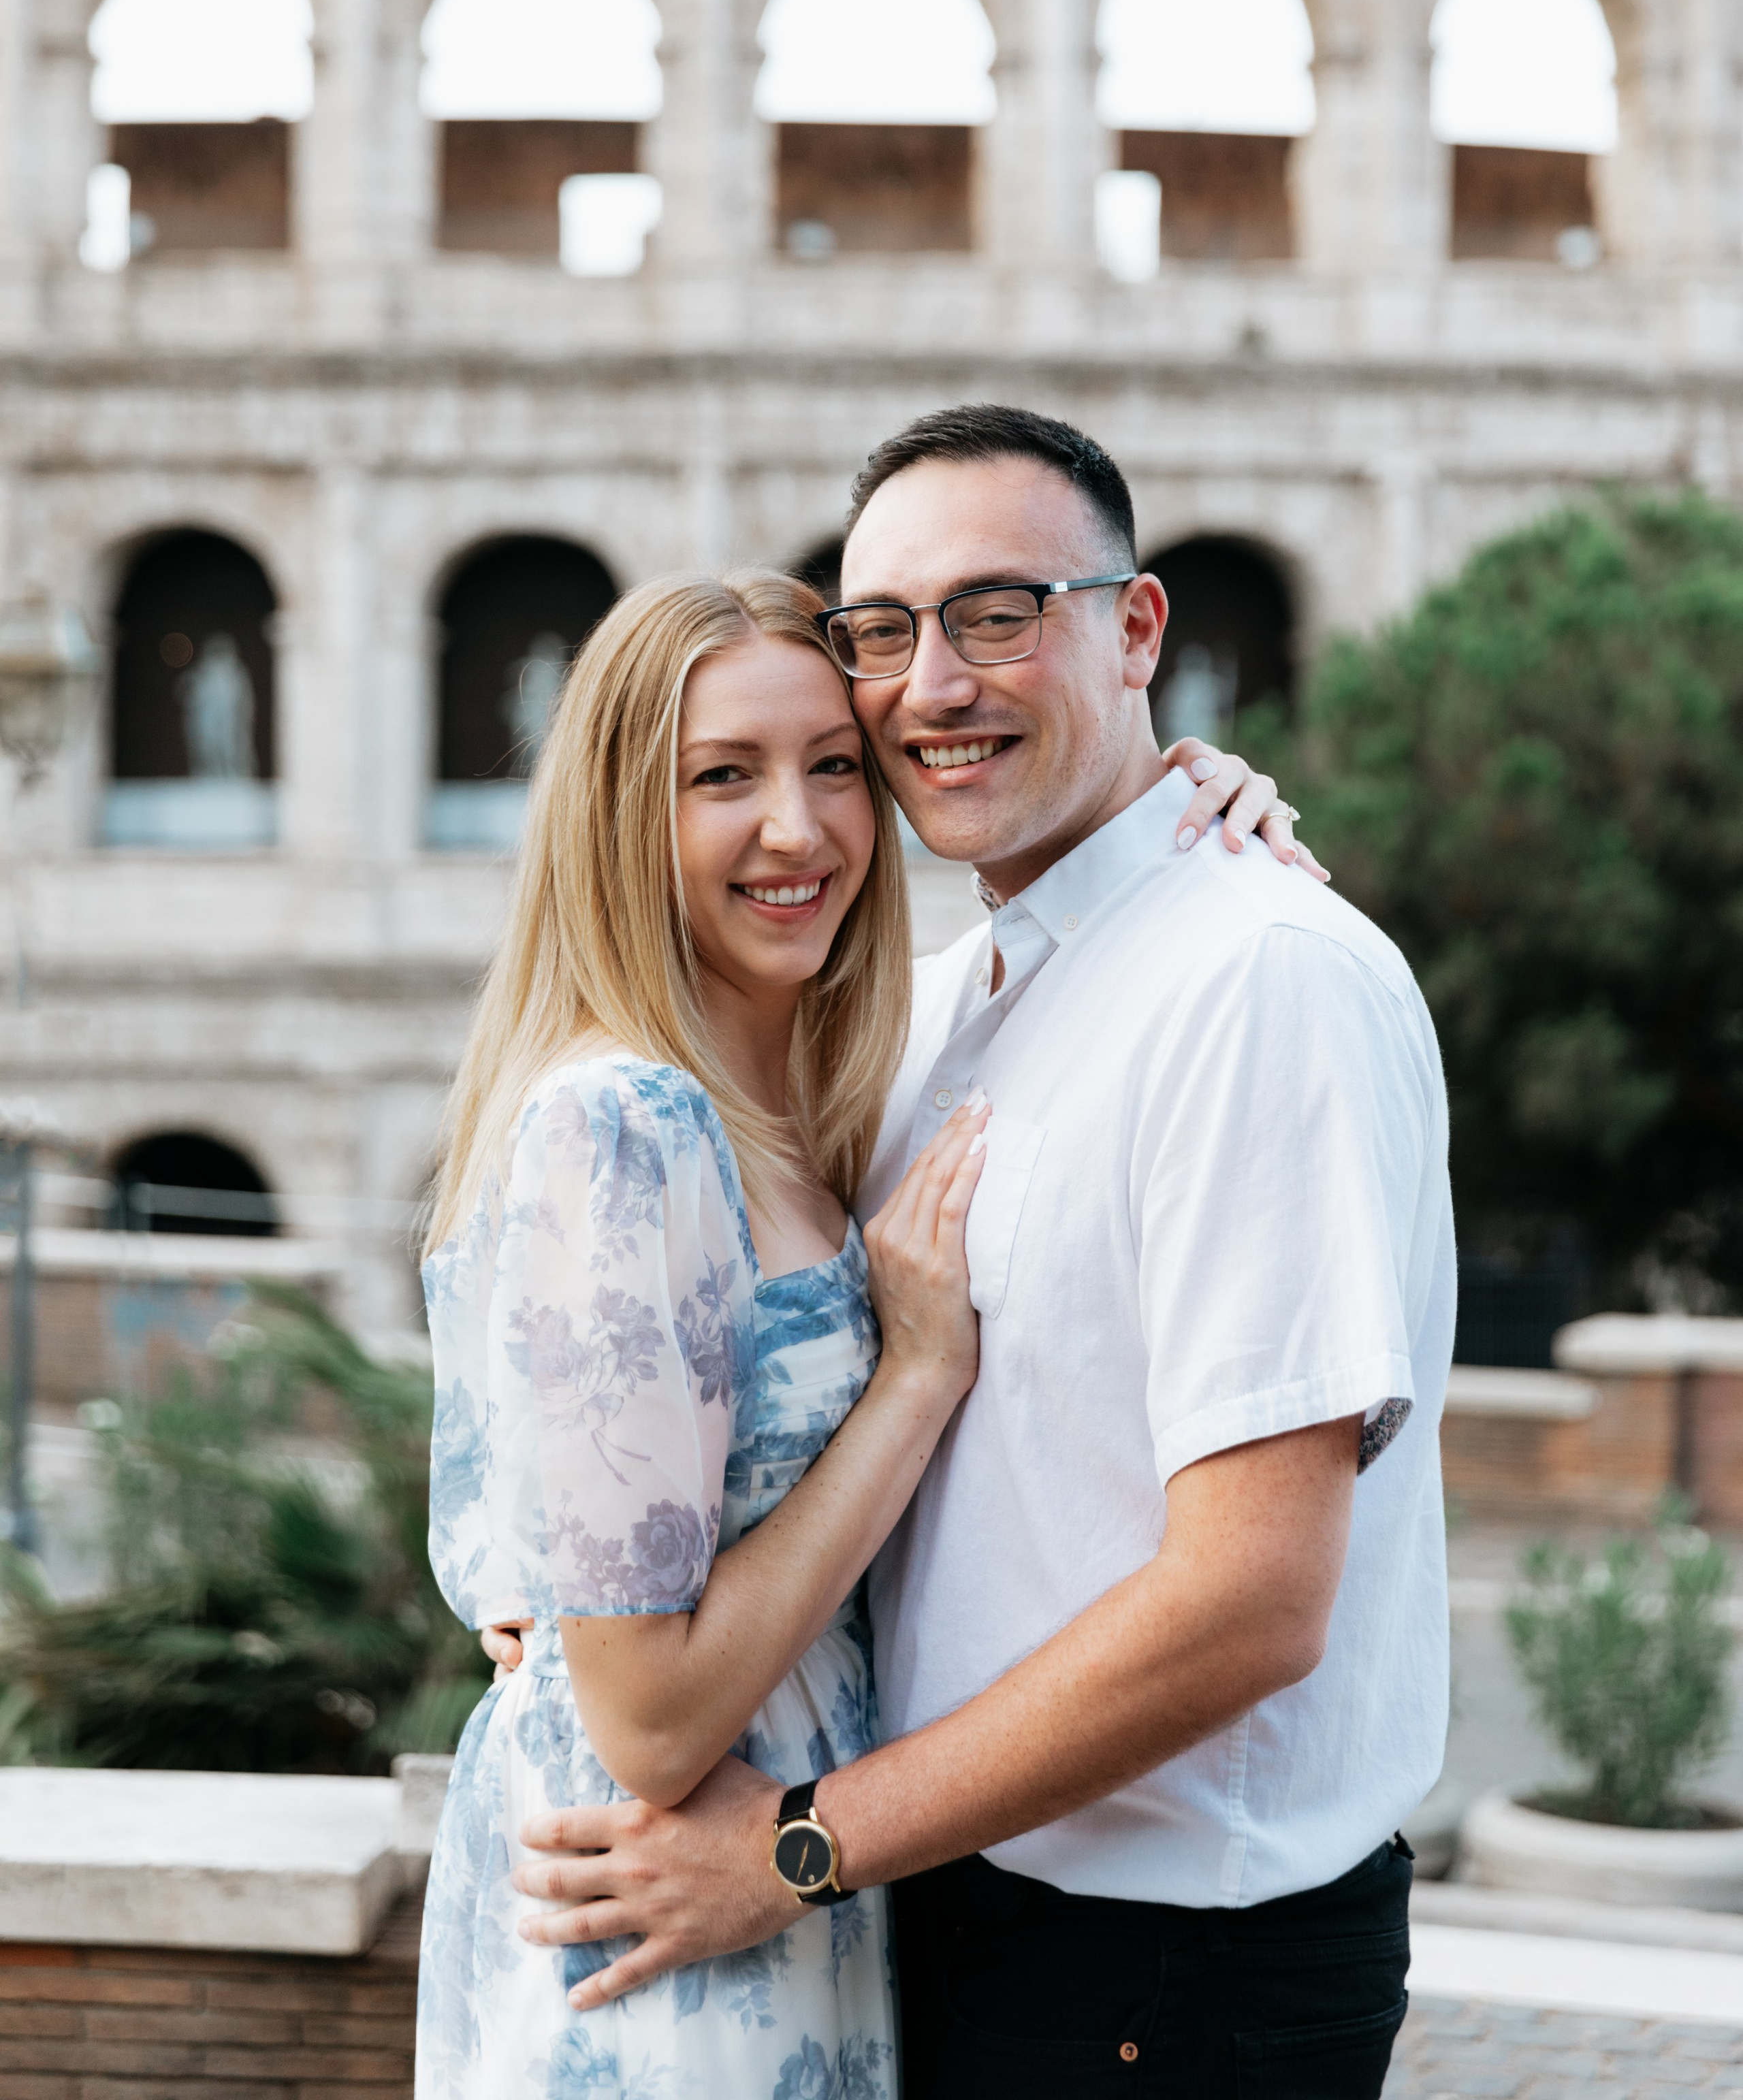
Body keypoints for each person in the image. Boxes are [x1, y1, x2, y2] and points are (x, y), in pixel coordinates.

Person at [509, 406, 1456, 2100]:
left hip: (1163, 1975)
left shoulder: (1256, 978)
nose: (930, 683)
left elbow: (1248, 1602)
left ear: (1136, 629)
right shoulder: (947, 1010)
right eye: (882, 634)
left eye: (999, 612)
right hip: (951, 1909)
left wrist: (792, 1849)